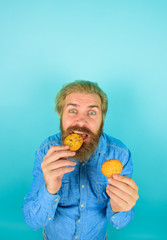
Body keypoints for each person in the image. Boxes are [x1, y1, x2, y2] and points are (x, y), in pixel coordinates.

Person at [22, 80, 139, 240]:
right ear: (60, 115)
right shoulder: (47, 151)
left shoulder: (120, 154)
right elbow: (32, 221)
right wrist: (49, 190)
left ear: (102, 119)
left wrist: (119, 208)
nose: (81, 121)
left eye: (92, 112)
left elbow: (120, 222)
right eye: (72, 110)